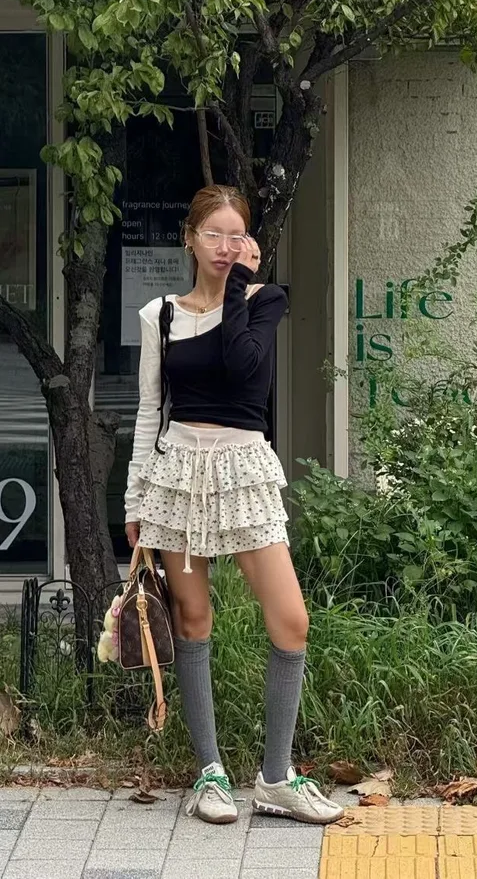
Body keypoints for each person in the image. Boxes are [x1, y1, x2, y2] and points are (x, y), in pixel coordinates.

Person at [124, 184, 343, 826]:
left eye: (236, 234)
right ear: (190, 240)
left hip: (244, 468)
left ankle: (275, 777)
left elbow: (244, 367)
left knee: (291, 620)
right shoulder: (160, 315)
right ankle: (210, 774)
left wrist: (240, 286)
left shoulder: (264, 300)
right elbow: (149, 410)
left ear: (250, 243)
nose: (225, 246)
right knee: (193, 620)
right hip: (176, 474)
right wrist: (135, 497)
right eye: (213, 234)